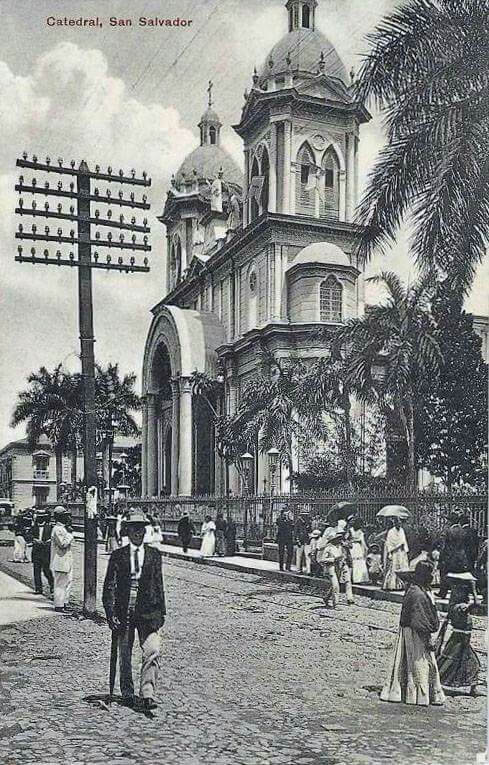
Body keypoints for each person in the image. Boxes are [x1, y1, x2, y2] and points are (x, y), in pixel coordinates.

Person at [102, 510, 166, 712]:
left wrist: (161, 612)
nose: (138, 532)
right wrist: (111, 613)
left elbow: (159, 584)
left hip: (148, 610)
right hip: (124, 607)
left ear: (145, 531)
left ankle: (147, 693)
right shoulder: (118, 556)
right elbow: (109, 586)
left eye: (141, 528)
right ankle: (127, 692)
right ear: (128, 530)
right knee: (125, 653)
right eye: (134, 528)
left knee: (153, 649)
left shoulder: (154, 555)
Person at [380, 561, 445, 706]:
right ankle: (418, 695)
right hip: (416, 633)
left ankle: (409, 692)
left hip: (412, 630)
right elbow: (419, 621)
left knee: (411, 662)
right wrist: (428, 639)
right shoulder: (418, 594)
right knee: (420, 663)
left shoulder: (418, 589)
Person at [436, 572, 481, 696]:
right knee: (451, 663)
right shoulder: (460, 607)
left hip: (462, 640)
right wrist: (473, 588)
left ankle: (472, 688)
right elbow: (477, 604)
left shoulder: (454, 605)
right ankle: (435, 682)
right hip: (459, 640)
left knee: (463, 663)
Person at [437, 512, 468, 598]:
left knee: (444, 573)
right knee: (457, 574)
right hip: (460, 555)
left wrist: (441, 556)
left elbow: (444, 545)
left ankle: (443, 592)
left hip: (449, 555)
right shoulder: (462, 530)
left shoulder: (448, 530)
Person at [50, 507, 74, 612]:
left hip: (66, 560)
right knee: (60, 584)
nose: (68, 518)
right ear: (60, 517)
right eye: (66, 516)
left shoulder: (63, 528)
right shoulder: (57, 529)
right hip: (60, 560)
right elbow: (63, 544)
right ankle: (59, 605)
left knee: (68, 581)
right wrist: (69, 534)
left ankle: (64, 603)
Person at [383, 517, 409, 591]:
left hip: (401, 552)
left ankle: (401, 585)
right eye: (397, 523)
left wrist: (404, 548)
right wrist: (396, 547)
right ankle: (392, 584)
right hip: (394, 552)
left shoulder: (402, 531)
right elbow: (389, 543)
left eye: (400, 523)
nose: (399, 524)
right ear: (395, 524)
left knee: (402, 567)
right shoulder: (391, 532)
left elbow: (404, 540)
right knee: (394, 568)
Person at [31, 510, 54, 595]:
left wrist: (49, 541)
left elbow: (53, 538)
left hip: (45, 552)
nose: (40, 519)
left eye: (42, 517)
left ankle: (52, 585)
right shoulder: (34, 527)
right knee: (36, 571)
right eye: (39, 517)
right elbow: (29, 536)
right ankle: (38, 589)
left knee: (46, 570)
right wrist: (34, 540)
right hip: (36, 552)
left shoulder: (49, 527)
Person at [348, 518, 369, 584]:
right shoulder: (350, 530)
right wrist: (350, 542)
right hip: (352, 547)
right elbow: (347, 538)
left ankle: (359, 578)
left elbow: (362, 540)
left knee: (359, 561)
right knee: (353, 561)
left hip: (358, 547)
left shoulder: (360, 531)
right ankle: (352, 578)